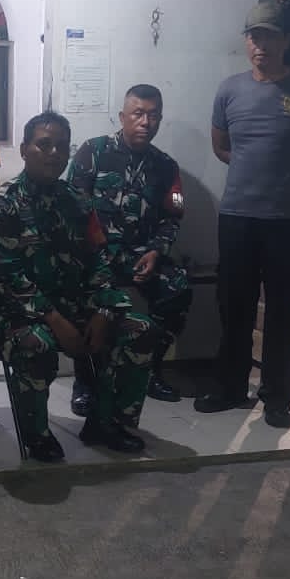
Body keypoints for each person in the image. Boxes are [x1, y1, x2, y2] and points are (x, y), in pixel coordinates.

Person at [0, 111, 160, 463]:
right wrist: (56, 321)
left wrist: (104, 310)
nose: (53, 153)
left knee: (141, 330)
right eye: (43, 145)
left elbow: (99, 261)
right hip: (14, 310)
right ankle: (37, 435)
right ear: (24, 150)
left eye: (61, 146)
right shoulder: (3, 204)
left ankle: (106, 423)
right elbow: (8, 278)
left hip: (75, 304)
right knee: (36, 344)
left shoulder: (78, 201)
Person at [194, 2, 290, 429]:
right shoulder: (229, 90)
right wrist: (251, 167)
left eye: (270, 35)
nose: (261, 44)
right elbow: (221, 145)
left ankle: (276, 395)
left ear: (286, 40)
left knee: (281, 312)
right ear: (246, 41)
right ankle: (230, 387)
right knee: (234, 307)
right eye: (254, 36)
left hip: (287, 220)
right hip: (237, 216)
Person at [67, 84, 190, 413]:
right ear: (122, 117)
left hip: (140, 256)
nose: (145, 122)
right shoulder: (93, 152)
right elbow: (72, 209)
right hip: (96, 256)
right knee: (84, 292)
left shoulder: (166, 166)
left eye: (153, 115)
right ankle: (86, 382)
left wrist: (156, 251)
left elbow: (173, 217)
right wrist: (93, 255)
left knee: (177, 285)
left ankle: (148, 369)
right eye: (138, 114)